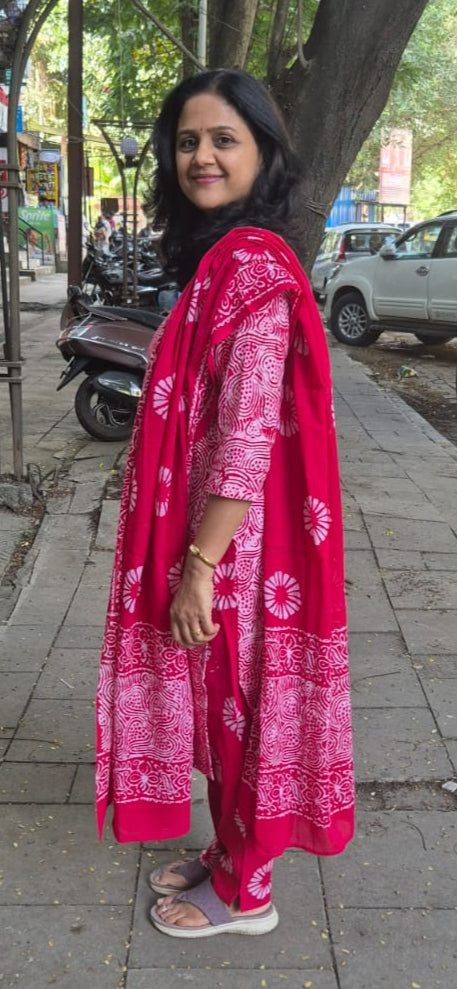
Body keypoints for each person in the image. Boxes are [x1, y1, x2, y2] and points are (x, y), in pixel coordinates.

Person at [96, 69, 354, 939]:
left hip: (236, 547)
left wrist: (199, 568)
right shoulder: (222, 255)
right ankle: (229, 851)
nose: (200, 155)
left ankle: (249, 893)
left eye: (222, 139)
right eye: (186, 141)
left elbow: (246, 437)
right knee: (222, 707)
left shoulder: (252, 268)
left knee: (242, 712)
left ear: (264, 153)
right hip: (222, 536)